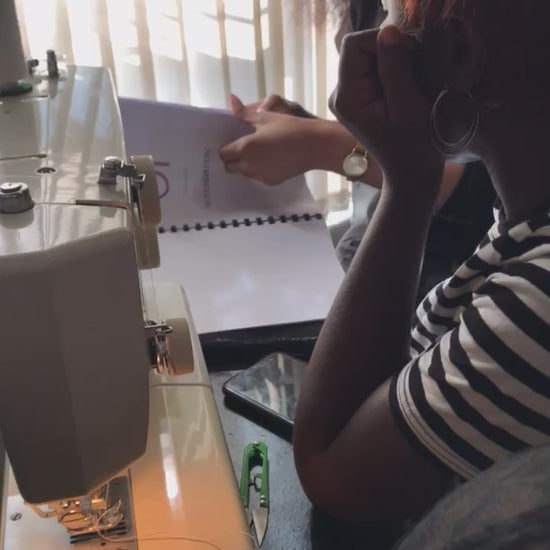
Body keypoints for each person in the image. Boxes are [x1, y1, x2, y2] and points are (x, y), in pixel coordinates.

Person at [290, 0, 550, 529]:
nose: (379, 29)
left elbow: (329, 468)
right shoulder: (522, 222)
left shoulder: (537, 305)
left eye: (389, 9)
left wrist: (408, 183)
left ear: (459, 53)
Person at [220, 0, 495, 302]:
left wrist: (319, 144)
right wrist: (303, 125)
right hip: (379, 234)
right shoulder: (363, 7)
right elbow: (396, 131)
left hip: (449, 273)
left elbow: (481, 188)